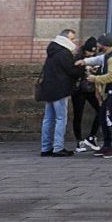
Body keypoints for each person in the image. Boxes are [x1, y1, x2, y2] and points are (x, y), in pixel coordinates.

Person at [36, 27, 83, 157]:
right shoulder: (64, 53)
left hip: (48, 89)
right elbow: (71, 71)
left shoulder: (52, 51)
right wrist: (82, 69)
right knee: (61, 118)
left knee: (48, 119)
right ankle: (58, 148)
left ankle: (45, 148)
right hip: (60, 90)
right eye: (72, 39)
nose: (74, 42)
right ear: (65, 39)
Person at [69, 36, 105, 153]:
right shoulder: (77, 57)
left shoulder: (95, 58)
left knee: (101, 109)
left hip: (91, 89)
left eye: (93, 52)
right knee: (78, 115)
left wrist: (95, 71)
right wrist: (84, 70)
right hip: (79, 90)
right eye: (90, 51)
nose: (91, 54)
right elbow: (72, 72)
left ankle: (92, 136)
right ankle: (79, 141)